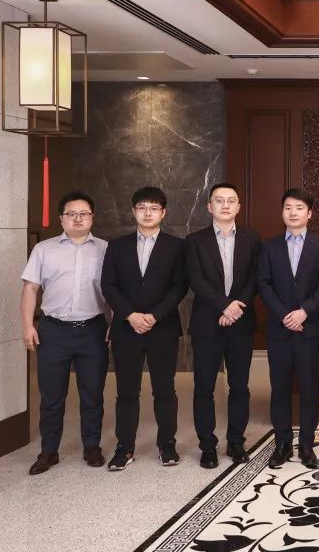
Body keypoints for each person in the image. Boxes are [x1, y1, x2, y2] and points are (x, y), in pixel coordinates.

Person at [20, 192, 109, 475]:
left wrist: (115, 324)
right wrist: (27, 325)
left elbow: (114, 291)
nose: (78, 218)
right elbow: (30, 288)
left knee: (92, 394)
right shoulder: (44, 249)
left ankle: (92, 447)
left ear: (92, 217)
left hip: (93, 330)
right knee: (51, 396)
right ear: (61, 218)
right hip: (53, 331)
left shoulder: (106, 250)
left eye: (84, 213)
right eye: (71, 214)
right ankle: (49, 451)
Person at [101, 186, 188, 471]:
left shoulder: (177, 246)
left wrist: (154, 316)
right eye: (142, 207)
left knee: (165, 390)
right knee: (126, 391)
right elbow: (108, 285)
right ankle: (124, 447)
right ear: (133, 211)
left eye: (153, 208)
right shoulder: (117, 246)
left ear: (163, 213)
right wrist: (130, 315)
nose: (147, 213)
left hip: (163, 328)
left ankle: (167, 444)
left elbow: (179, 286)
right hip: (127, 329)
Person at [185, 183, 261, 469]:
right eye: (219, 200)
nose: (225, 205)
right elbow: (195, 279)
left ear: (238, 207)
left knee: (239, 386)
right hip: (207, 324)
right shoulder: (195, 241)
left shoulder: (252, 239)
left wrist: (236, 307)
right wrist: (224, 305)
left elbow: (256, 278)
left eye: (231, 201)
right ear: (209, 206)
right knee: (204, 387)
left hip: (240, 323)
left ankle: (236, 441)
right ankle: (207, 445)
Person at [258, 189, 319, 470]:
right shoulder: (269, 246)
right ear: (282, 212)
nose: (293, 212)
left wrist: (304, 311)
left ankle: (307, 445)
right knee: (279, 388)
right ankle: (282, 444)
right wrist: (284, 315)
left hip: (310, 329)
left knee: (310, 388)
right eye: (288, 207)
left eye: (299, 208)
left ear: (309, 213)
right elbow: (263, 284)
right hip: (279, 330)